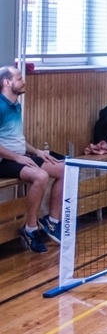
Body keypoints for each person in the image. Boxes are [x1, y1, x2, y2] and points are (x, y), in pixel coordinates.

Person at [0, 65, 65, 252]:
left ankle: (52, 221)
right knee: (41, 176)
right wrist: (16, 157)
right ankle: (30, 229)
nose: (24, 81)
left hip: (19, 157)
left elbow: (17, 138)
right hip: (4, 161)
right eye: (19, 78)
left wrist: (37, 152)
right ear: (7, 82)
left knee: (64, 169)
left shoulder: (16, 105)